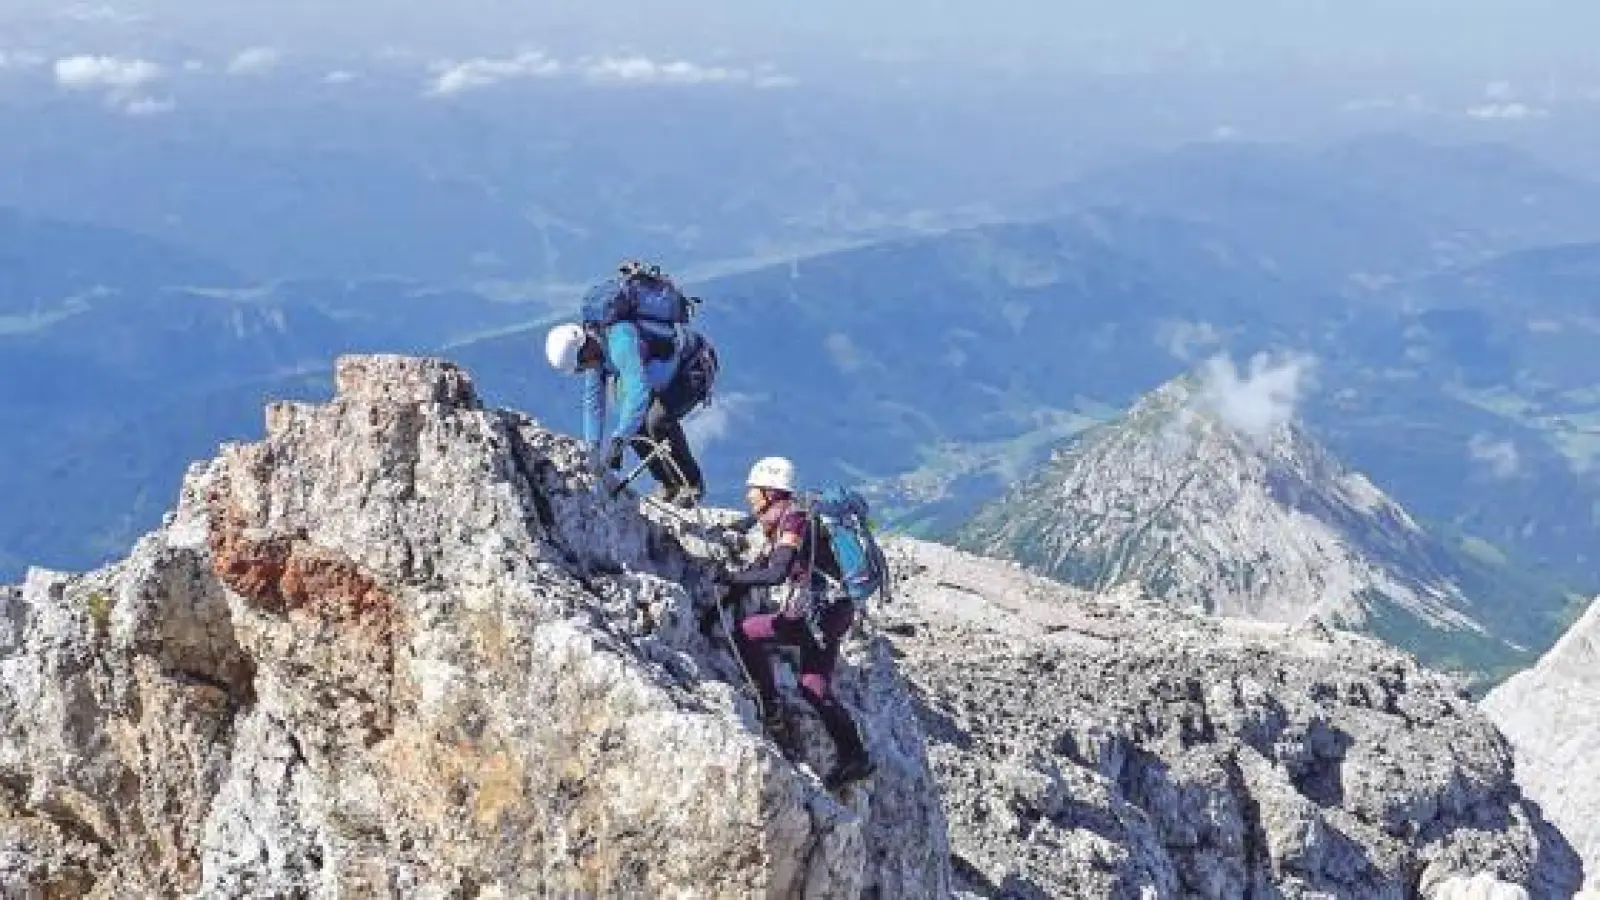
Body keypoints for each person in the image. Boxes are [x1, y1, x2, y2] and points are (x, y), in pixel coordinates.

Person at [713, 456, 876, 790]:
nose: (749, 497)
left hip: (819, 613)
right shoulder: (793, 515)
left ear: (771, 492)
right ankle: (855, 755)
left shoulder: (793, 521)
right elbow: (767, 562)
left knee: (746, 633)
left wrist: (729, 579)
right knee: (813, 686)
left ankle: (769, 707)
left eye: (754, 491)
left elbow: (776, 571)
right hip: (836, 611)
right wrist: (731, 591)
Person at [543, 297, 712, 507]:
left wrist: (618, 440)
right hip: (666, 377)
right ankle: (669, 485)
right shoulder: (596, 348)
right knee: (635, 426)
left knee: (657, 421)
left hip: (693, 368)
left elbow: (637, 394)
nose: (584, 370)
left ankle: (692, 483)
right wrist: (593, 448)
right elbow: (593, 402)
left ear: (584, 351)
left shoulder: (621, 340)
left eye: (580, 366)